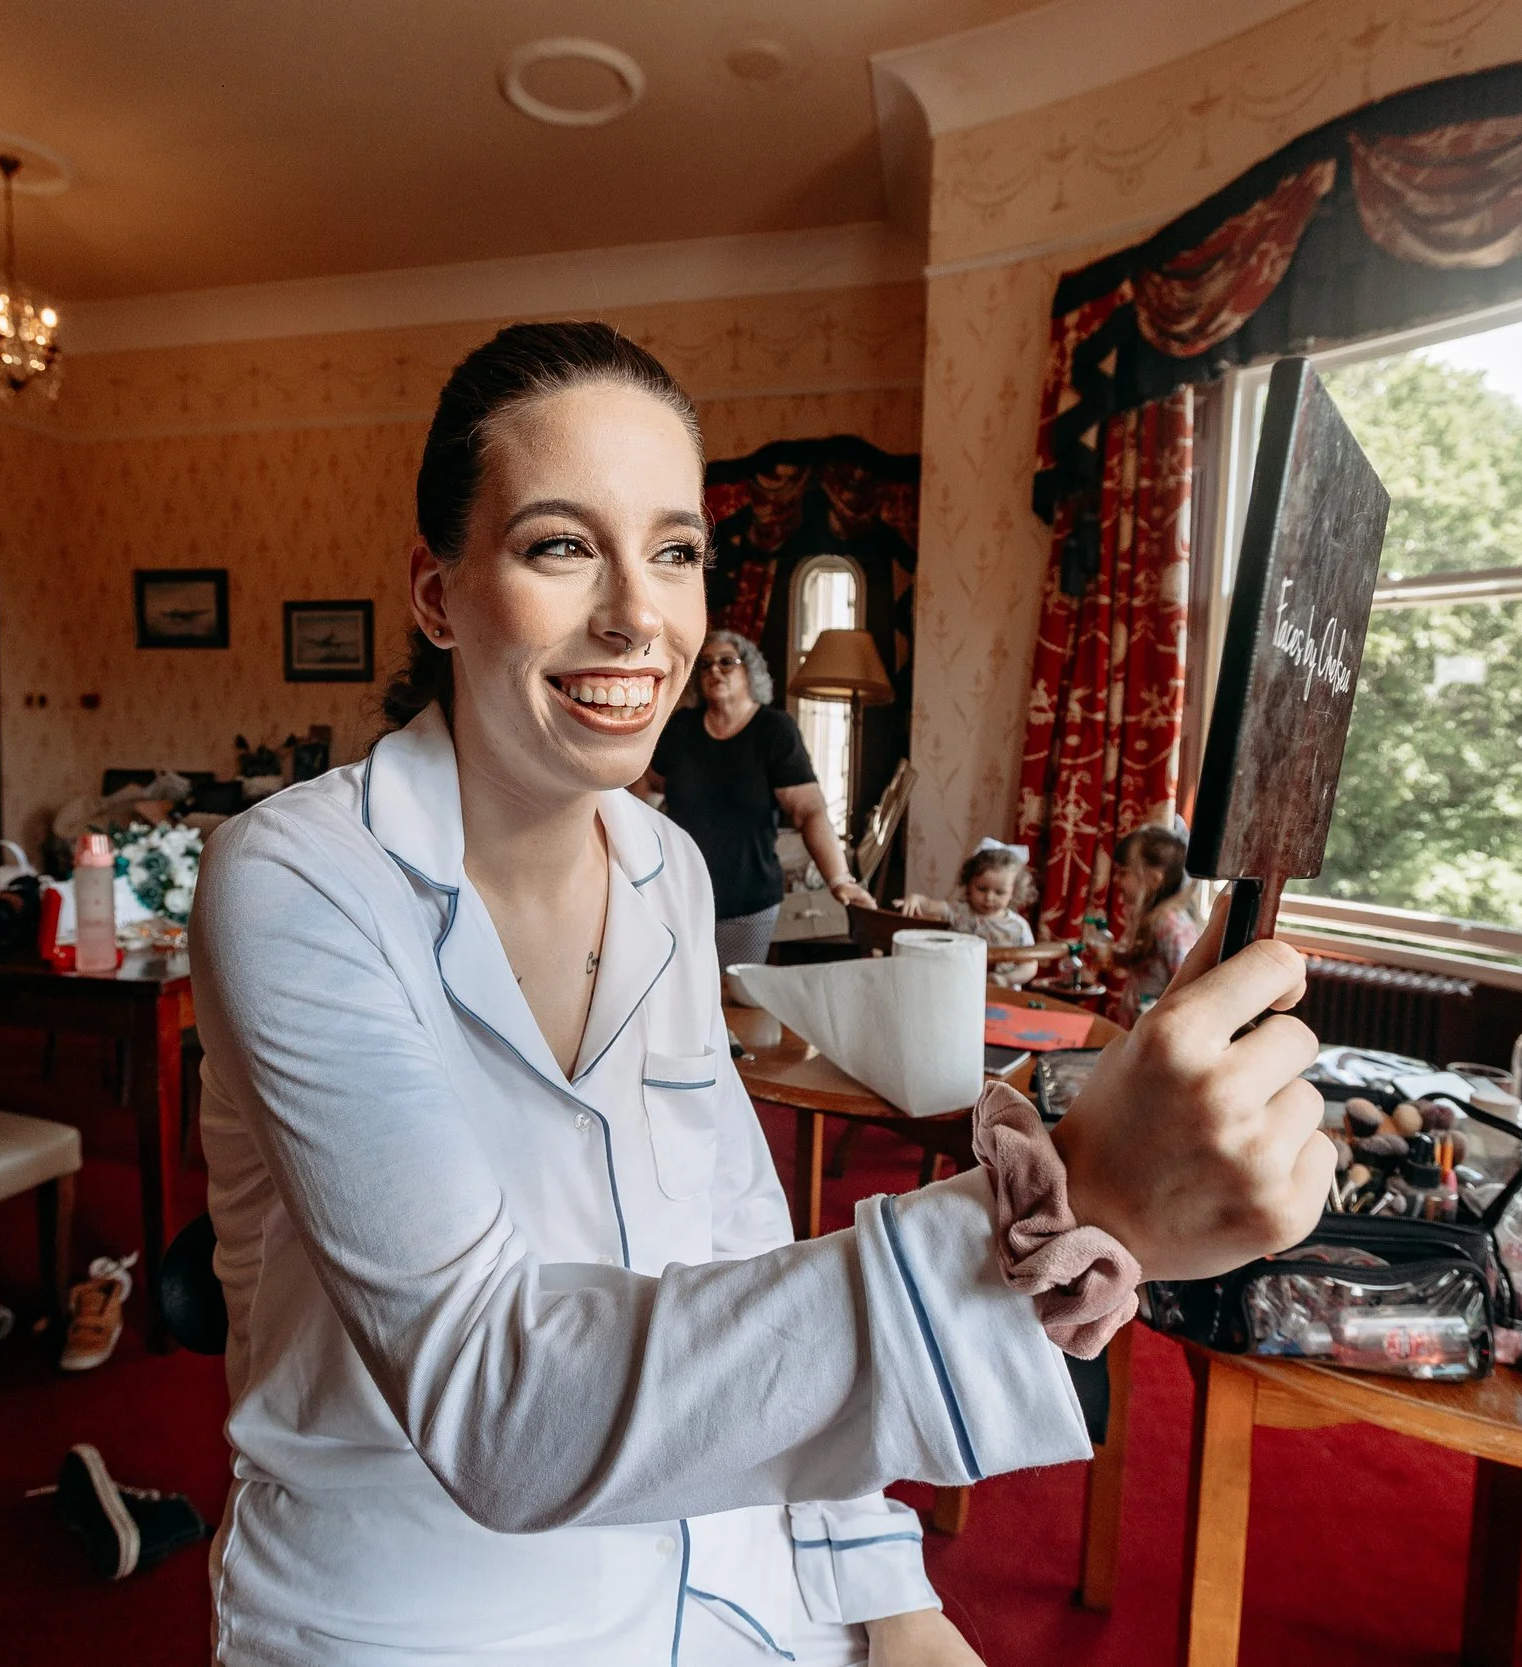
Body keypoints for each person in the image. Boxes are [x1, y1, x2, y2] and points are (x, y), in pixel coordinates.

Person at [190, 320, 1328, 1666]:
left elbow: (736, 1251)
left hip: (727, 1568)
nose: (639, 614)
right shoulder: (297, 880)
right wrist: (1082, 1193)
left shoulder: (666, 870)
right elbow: (496, 1400)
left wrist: (883, 1585)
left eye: (676, 551)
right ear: (437, 594)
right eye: (560, 545)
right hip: (424, 1610)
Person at [647, 628, 873, 969]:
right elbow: (645, 794)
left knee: (733, 997)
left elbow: (809, 811)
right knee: (675, 993)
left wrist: (839, 879)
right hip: (677, 897)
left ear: (750, 670)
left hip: (747, 904)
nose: (714, 670)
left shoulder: (774, 730)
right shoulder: (681, 728)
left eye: (727, 662)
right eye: (705, 664)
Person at [896, 838, 1039, 987]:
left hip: (1000, 990)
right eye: (982, 889)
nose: (989, 898)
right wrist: (916, 899)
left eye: (999, 892)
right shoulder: (959, 911)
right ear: (969, 884)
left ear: (1014, 892)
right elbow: (930, 905)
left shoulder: (1018, 926)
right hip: (958, 983)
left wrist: (1007, 979)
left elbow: (1029, 964)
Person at [1108, 822, 1206, 1019]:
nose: (1116, 880)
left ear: (1154, 879)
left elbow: (1189, 987)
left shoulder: (1170, 924)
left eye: (1123, 873)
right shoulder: (1153, 920)